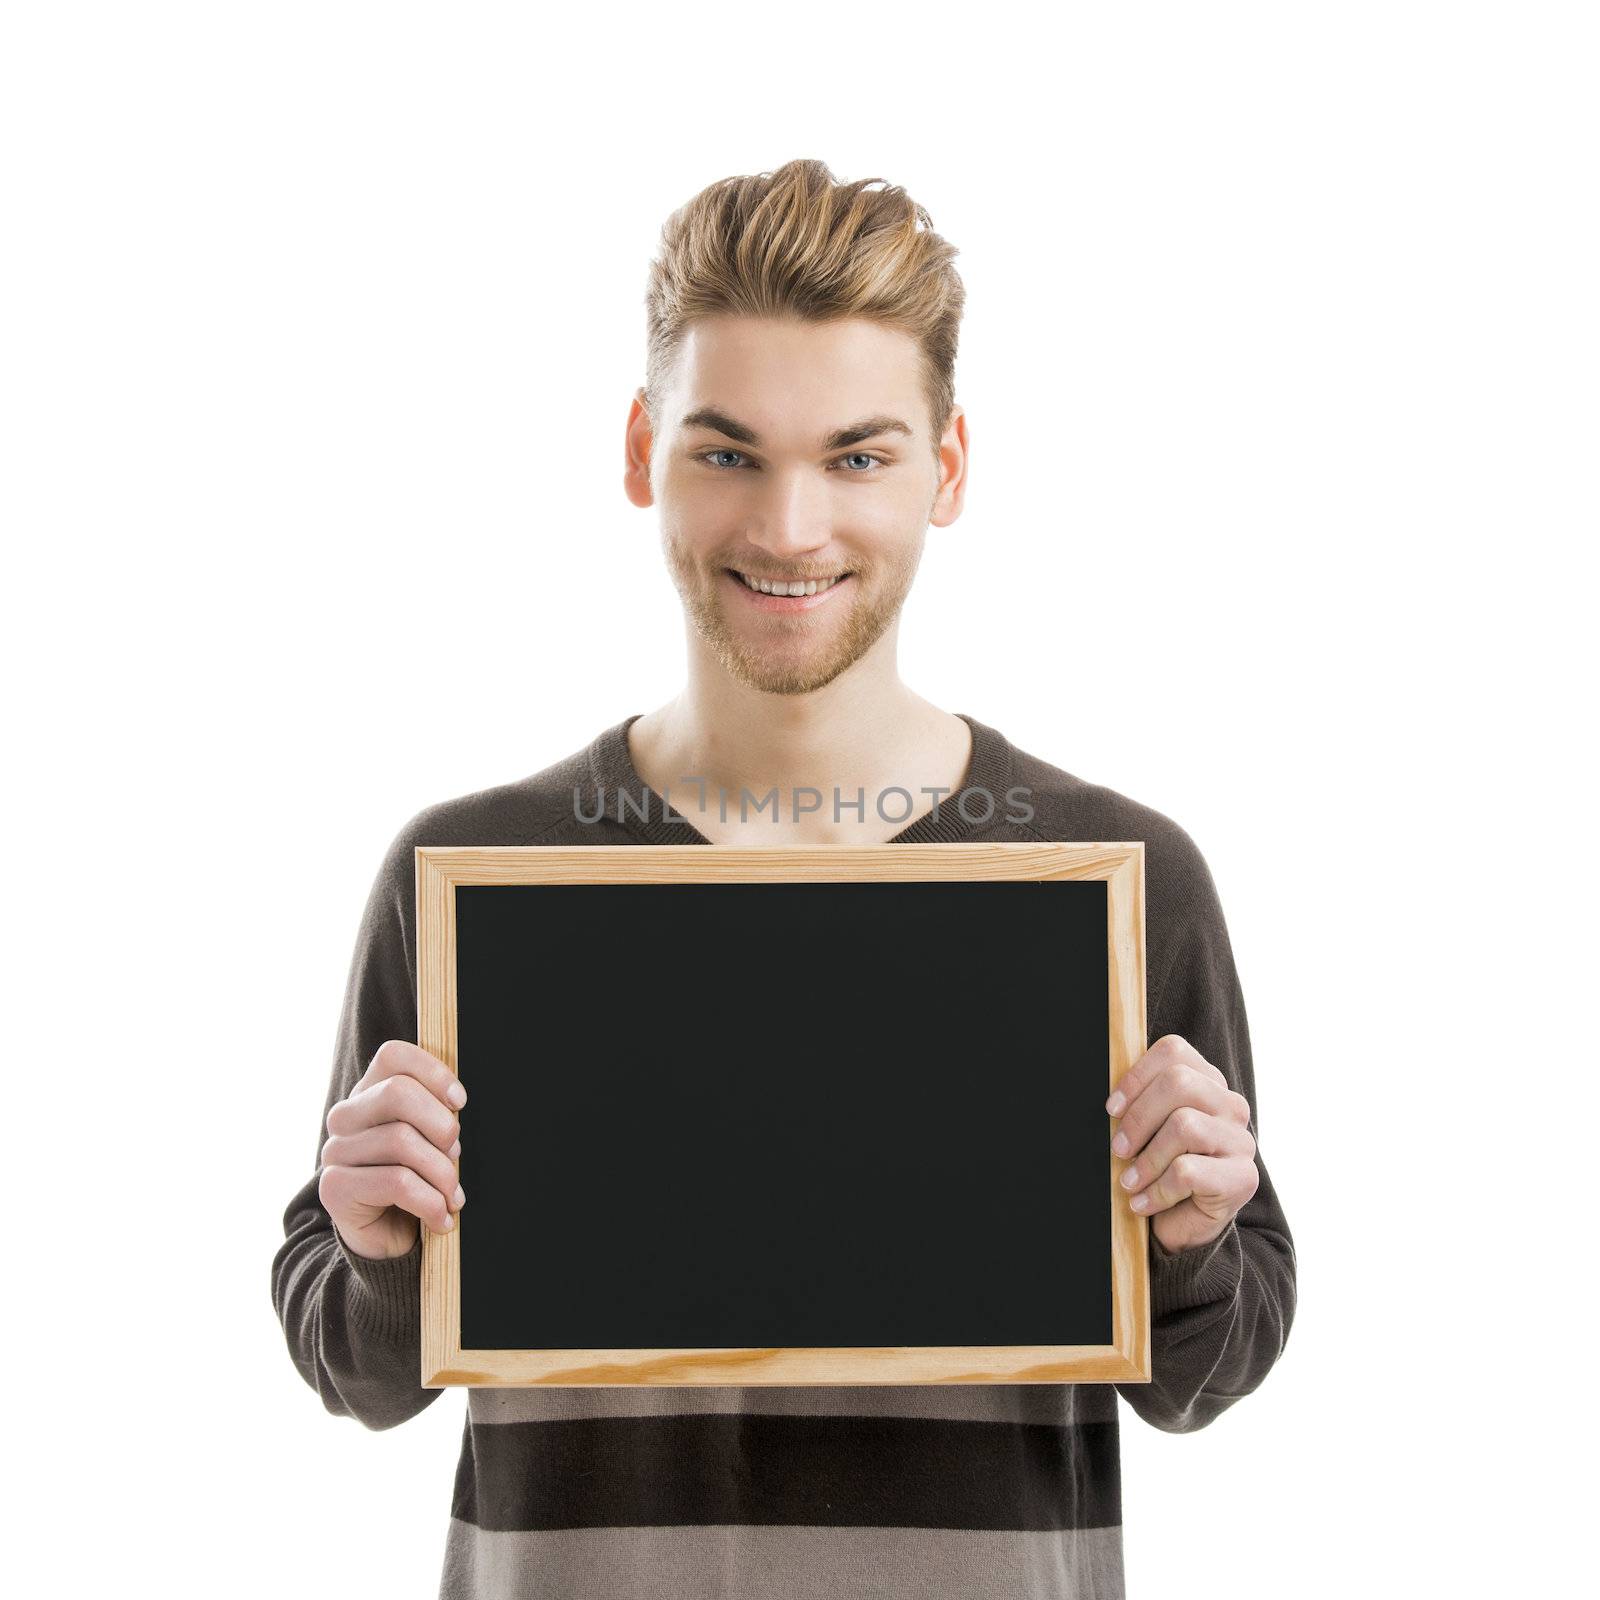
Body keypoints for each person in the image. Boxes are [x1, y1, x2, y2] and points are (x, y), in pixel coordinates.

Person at [271, 157, 1297, 1600]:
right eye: (728, 451)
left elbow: (1211, 1367)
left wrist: (1194, 1232)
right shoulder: (467, 877)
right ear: (643, 452)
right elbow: (349, 1360)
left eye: (858, 456)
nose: (790, 527)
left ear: (946, 469)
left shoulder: (1121, 881)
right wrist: (375, 1242)